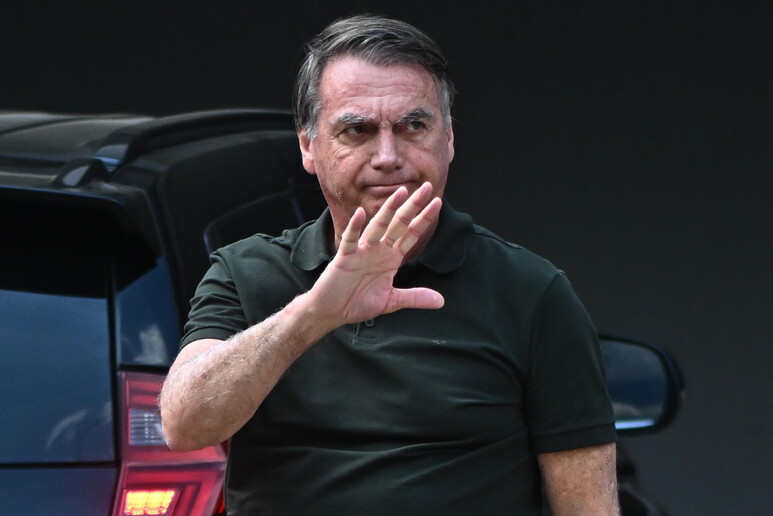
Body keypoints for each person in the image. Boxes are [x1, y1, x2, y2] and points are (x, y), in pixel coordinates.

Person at [159, 14, 619, 515]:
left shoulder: (531, 291)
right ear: (309, 146)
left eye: (413, 126)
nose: (387, 156)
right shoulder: (244, 273)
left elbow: (589, 508)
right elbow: (185, 426)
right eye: (356, 130)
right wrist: (315, 313)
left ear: (448, 140)